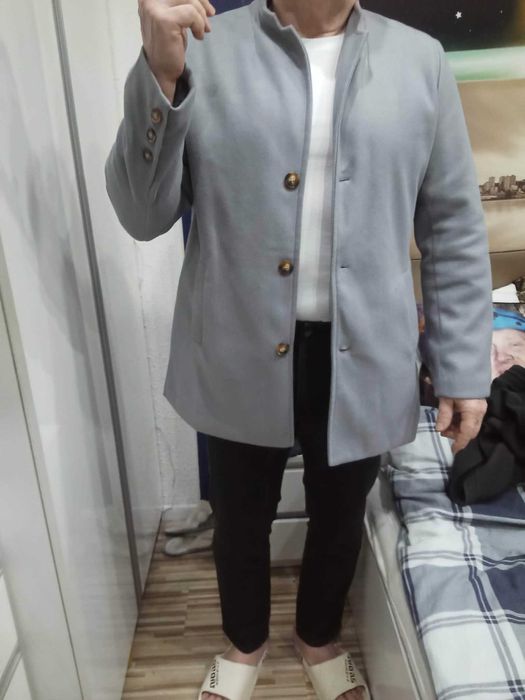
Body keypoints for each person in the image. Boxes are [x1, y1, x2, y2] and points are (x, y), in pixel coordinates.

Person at [105, 0, 494, 697]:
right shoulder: (204, 49)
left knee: (340, 514)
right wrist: (159, 79)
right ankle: (244, 642)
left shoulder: (421, 62)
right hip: (236, 342)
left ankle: (317, 635)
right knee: (239, 516)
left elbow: (452, 226)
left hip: (366, 350)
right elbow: (141, 214)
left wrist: (463, 367)